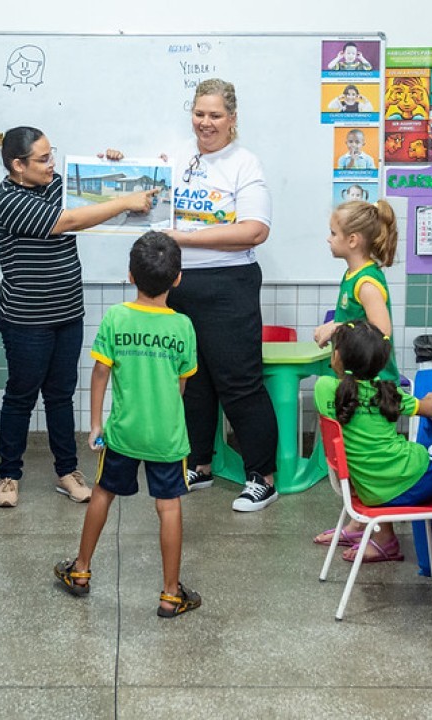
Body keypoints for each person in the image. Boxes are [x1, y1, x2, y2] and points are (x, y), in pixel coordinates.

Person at [0, 126, 156, 508]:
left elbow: (102, 193)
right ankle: (9, 475)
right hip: (26, 318)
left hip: (67, 312)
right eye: (43, 159)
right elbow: (71, 221)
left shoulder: (56, 184)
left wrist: (113, 165)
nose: (51, 164)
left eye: (52, 156)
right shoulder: (7, 199)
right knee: (21, 395)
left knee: (61, 395)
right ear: (18, 165)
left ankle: (68, 471)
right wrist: (124, 200)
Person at [53, 231, 201, 617]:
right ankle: (171, 594)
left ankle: (81, 570)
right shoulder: (183, 326)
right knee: (168, 507)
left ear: (131, 276)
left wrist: (96, 424)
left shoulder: (117, 317)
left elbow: (101, 373)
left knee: (102, 493)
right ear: (178, 278)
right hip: (167, 436)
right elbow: (182, 382)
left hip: (123, 432)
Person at [160, 78, 279, 512]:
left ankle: (262, 477)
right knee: (194, 383)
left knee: (239, 384)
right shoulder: (177, 156)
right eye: (199, 113)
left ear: (231, 119)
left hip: (230, 284)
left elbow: (254, 230)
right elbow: (145, 192)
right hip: (180, 284)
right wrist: (117, 161)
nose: (205, 123)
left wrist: (184, 238)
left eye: (215, 115)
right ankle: (200, 465)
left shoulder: (244, 163)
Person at [312, 322, 432, 567]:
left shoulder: (325, 389)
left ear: (337, 356)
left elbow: (339, 383)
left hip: (371, 491)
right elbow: (431, 408)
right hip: (417, 478)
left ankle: (384, 538)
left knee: (389, 460)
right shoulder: (389, 393)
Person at [313, 200, 403, 384]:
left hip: (375, 384)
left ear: (352, 240)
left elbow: (382, 331)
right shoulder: (352, 275)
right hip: (357, 379)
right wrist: (332, 325)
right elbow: (356, 318)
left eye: (333, 233)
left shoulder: (366, 283)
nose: (328, 239)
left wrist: (337, 327)